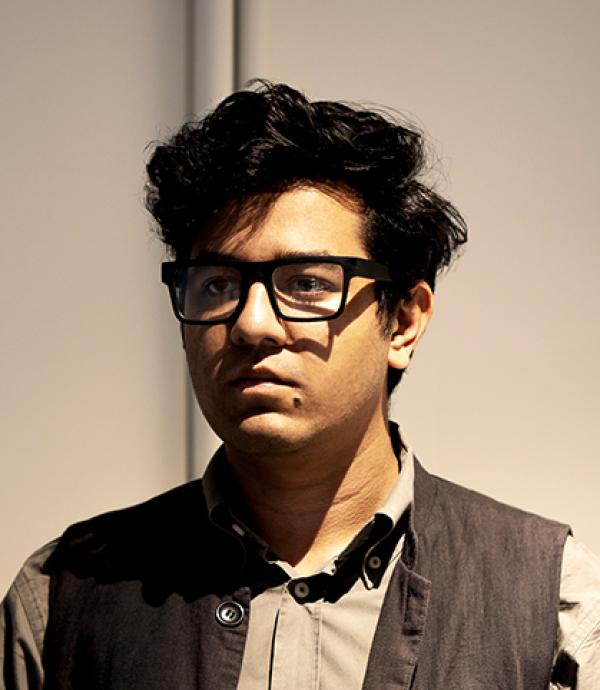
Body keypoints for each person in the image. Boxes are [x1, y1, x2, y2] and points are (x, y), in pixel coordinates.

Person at [1, 81, 599, 690]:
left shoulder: (552, 604)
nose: (251, 324)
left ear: (404, 320)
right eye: (215, 284)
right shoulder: (65, 596)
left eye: (308, 284)